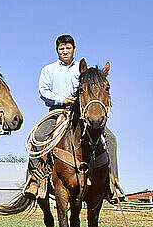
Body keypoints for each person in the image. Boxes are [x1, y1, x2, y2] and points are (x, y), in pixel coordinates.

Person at [24, 34, 119, 199]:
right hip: (57, 110)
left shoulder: (83, 70)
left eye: (68, 48)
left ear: (74, 49)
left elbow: (93, 88)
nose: (65, 51)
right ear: (57, 50)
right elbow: (43, 91)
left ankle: (112, 182)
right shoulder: (48, 69)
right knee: (38, 136)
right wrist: (61, 98)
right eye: (61, 48)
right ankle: (36, 179)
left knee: (110, 138)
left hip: (81, 112)